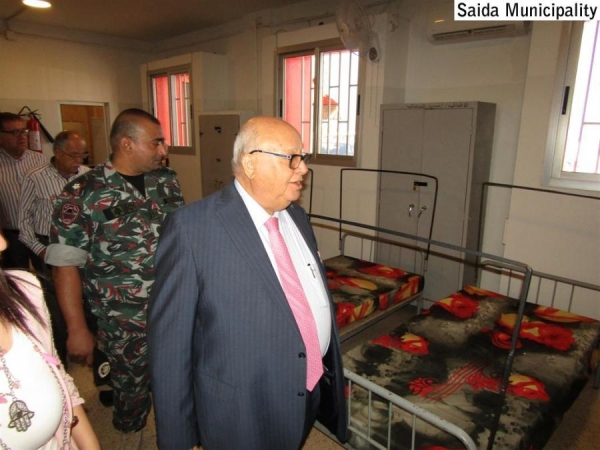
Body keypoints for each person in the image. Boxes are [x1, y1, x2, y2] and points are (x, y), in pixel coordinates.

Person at [148, 116, 348, 449]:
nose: (303, 169)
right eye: (291, 158)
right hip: (239, 410)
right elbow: (169, 348)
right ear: (251, 163)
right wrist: (178, 440)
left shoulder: (297, 216)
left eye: (303, 157)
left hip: (304, 391)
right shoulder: (191, 229)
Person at [45, 108, 185, 448]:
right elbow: (65, 266)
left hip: (174, 304)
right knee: (130, 385)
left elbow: (183, 238)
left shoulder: (166, 180)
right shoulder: (82, 192)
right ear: (127, 144)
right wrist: (77, 329)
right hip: (122, 316)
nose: (164, 150)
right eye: (156, 143)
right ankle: (130, 435)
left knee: (177, 375)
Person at [0, 228, 101, 449]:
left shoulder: (24, 292)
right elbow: (63, 261)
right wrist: (77, 328)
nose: (2, 244)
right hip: (104, 301)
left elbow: (59, 381)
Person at [18, 130, 91, 367]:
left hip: (82, 248)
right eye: (73, 155)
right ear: (58, 153)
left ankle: (92, 355)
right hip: (48, 247)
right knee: (56, 310)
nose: (79, 160)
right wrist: (42, 251)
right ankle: (60, 363)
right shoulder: (35, 177)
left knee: (87, 304)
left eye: (83, 155)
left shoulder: (88, 176)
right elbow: (23, 224)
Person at [0, 112, 46, 270]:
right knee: (17, 276)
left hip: (40, 232)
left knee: (47, 275)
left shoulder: (39, 160)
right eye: (15, 132)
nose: (22, 137)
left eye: (24, 131)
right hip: (12, 235)